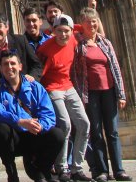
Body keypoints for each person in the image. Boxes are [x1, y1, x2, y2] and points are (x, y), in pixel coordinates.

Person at [0, 11, 42, 182]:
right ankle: (4, 174)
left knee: (38, 131)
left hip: (24, 99)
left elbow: (35, 64)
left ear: (7, 27)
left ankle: (39, 171)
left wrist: (31, 77)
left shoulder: (20, 40)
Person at [0, 51, 65, 182]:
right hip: (13, 137)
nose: (9, 67)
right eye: (5, 64)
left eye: (13, 63)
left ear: (20, 66)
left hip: (35, 133)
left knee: (57, 135)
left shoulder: (35, 86)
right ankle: (12, 174)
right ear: (0, 68)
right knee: (1, 130)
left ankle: (40, 168)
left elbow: (48, 114)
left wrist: (39, 126)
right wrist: (19, 121)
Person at [71, 8, 131, 182]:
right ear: (82, 24)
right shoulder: (79, 45)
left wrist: (121, 94)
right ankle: (102, 171)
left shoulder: (105, 43)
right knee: (96, 133)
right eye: (88, 21)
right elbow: (75, 72)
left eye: (95, 21)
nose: (92, 24)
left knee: (112, 132)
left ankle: (119, 170)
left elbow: (116, 68)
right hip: (90, 93)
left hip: (109, 91)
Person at [37, 14, 91, 181]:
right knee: (65, 124)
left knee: (84, 124)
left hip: (68, 86)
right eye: (59, 31)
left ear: (71, 30)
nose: (63, 35)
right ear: (53, 31)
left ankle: (77, 167)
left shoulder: (74, 39)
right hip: (52, 88)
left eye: (66, 31)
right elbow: (39, 75)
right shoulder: (45, 49)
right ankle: (62, 167)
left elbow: (83, 28)